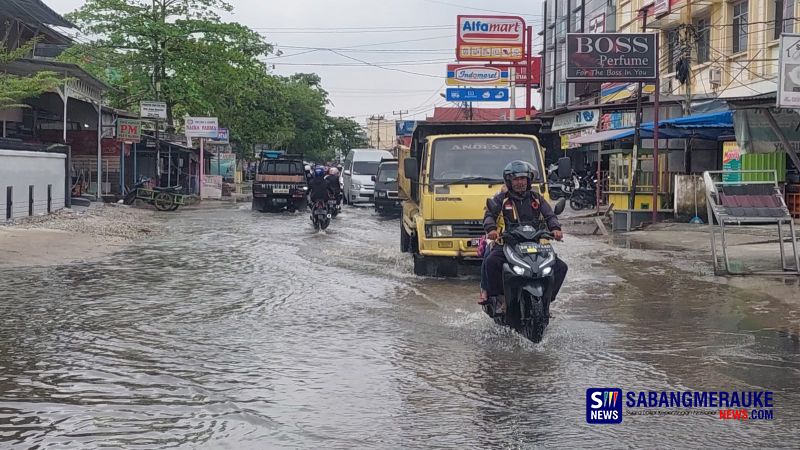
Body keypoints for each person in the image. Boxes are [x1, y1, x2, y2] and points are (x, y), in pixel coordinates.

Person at [479, 160, 568, 313]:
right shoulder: (501, 199)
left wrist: (555, 229)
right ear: (509, 181)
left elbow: (549, 215)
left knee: (560, 267)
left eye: (523, 179)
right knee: (491, 261)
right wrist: (492, 229)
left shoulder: (536, 198)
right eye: (516, 179)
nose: (520, 182)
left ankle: (547, 301)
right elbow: (489, 216)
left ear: (528, 180)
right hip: (508, 243)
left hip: (535, 243)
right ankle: (501, 298)